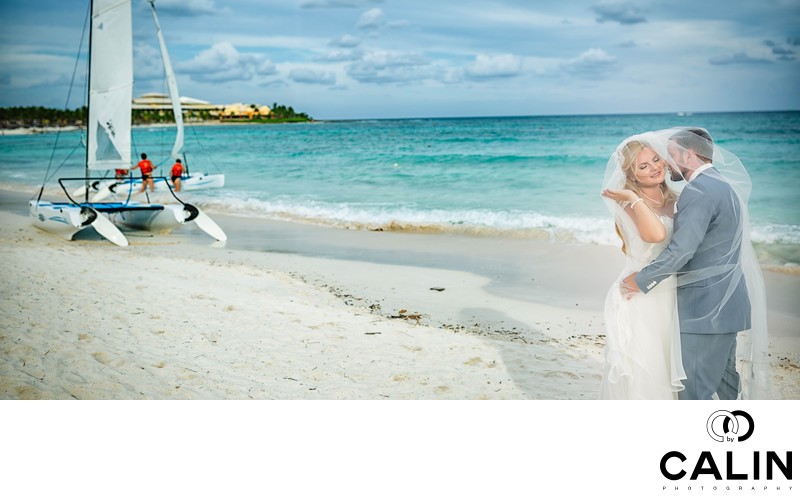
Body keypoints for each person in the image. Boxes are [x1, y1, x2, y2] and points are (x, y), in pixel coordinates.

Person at [619, 127, 770, 400]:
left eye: (670, 154)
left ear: (689, 155)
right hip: (727, 304)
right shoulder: (722, 184)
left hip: (704, 310)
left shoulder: (699, 190)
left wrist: (641, 280)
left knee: (693, 392)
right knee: (726, 384)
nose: (666, 162)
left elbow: (681, 251)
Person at [598, 136, 686, 399]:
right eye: (643, 166)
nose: (654, 168)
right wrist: (632, 197)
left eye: (656, 160)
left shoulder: (679, 197)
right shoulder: (628, 202)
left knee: (670, 360)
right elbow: (656, 235)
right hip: (640, 292)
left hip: (671, 289)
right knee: (647, 367)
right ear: (631, 175)